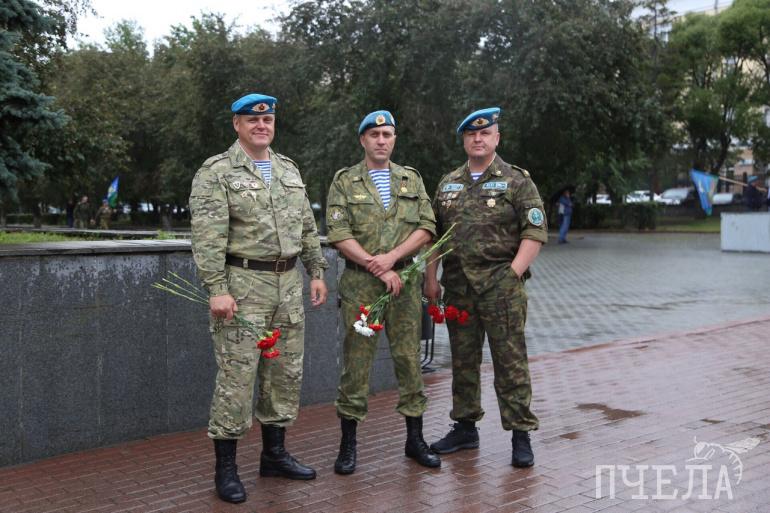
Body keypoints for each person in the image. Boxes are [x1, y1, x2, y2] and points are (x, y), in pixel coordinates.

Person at [189, 93, 329, 504]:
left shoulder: (288, 169)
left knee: (285, 374)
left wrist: (316, 271)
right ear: (237, 124)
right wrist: (217, 288)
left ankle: (274, 455)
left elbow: (307, 226)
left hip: (288, 286)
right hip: (243, 287)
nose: (261, 125)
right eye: (252, 120)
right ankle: (226, 468)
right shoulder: (217, 171)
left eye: (267, 120)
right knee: (236, 378)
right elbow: (207, 237)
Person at [424, 107, 548, 468]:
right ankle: (465, 427)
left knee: (510, 362)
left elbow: (534, 231)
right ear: (464, 140)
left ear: (497, 138)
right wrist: (430, 278)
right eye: (471, 134)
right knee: (463, 361)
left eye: (485, 133)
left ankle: (520, 434)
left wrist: (512, 274)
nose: (478, 139)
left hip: (500, 288)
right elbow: (433, 236)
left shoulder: (516, 181)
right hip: (459, 288)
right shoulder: (448, 183)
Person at [326, 110, 441, 474]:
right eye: (374, 135)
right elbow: (338, 233)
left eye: (387, 134)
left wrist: (392, 259)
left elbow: (427, 227)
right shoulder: (345, 181)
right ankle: (348, 445)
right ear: (363, 140)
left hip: (404, 286)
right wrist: (376, 265)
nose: (381, 140)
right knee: (356, 363)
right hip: (361, 286)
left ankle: (415, 439)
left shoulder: (411, 179)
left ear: (394, 139)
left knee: (409, 360)